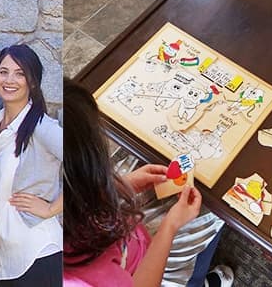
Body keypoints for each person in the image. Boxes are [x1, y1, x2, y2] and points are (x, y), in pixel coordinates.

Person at [60, 83, 205, 287]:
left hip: (125, 241)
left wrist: (120, 186)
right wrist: (169, 227)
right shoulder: (82, 277)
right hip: (137, 269)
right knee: (202, 233)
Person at [0, 44, 63, 287]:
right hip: (6, 261)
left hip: (38, 253)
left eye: (20, 73)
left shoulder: (42, 127)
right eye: (3, 72)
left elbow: (87, 169)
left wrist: (51, 209)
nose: (10, 80)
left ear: (33, 82)